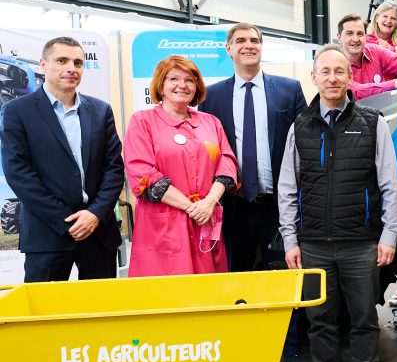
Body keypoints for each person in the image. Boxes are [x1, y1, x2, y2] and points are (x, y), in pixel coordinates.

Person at [278, 44, 397, 362]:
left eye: (339, 71)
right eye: (325, 72)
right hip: (313, 243)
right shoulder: (299, 126)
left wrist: (389, 234)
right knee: (320, 320)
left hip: (360, 242)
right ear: (314, 78)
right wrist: (290, 239)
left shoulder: (371, 122)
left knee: (364, 317)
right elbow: (288, 187)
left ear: (350, 77)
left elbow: (390, 184)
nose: (332, 78)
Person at [199, 23, 310, 362]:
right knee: (237, 277)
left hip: (278, 203)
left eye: (255, 41)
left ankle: (291, 348)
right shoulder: (211, 97)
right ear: (229, 49)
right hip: (231, 205)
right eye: (241, 41)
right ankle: (245, 347)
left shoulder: (288, 91)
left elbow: (305, 144)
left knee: (284, 276)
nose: (249, 46)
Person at [0, 36, 123, 282]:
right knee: (43, 315)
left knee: (101, 312)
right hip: (48, 232)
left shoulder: (100, 110)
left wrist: (95, 214)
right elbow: (19, 174)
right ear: (43, 64)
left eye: (78, 63)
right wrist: (64, 221)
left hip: (98, 231)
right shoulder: (17, 111)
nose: (71, 68)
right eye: (62, 60)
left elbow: (114, 169)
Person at [124, 56, 238, 277]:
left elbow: (227, 163)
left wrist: (209, 203)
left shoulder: (210, 122)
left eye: (189, 80)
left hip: (206, 219)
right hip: (163, 226)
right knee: (165, 294)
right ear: (161, 85)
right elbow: (142, 173)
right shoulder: (142, 121)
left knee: (208, 293)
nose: (182, 85)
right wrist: (191, 208)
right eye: (173, 78)